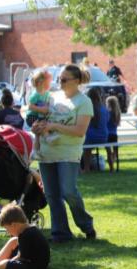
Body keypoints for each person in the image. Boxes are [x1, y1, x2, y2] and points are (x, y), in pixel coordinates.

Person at [31, 64, 96, 243]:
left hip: (68, 152)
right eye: (59, 78)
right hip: (46, 151)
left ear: (76, 81)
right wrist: (38, 127)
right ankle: (60, 234)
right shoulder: (53, 97)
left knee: (68, 191)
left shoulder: (84, 101)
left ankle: (86, 224)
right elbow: (45, 119)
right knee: (51, 194)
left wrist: (54, 126)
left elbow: (79, 131)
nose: (60, 82)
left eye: (64, 79)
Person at [82, 89, 109, 173]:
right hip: (104, 137)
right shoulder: (104, 109)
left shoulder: (88, 109)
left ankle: (86, 168)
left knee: (86, 148)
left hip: (91, 137)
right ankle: (111, 167)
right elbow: (107, 121)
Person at [105, 96, 121, 172]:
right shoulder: (117, 113)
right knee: (115, 151)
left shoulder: (107, 113)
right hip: (114, 135)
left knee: (108, 151)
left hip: (107, 134)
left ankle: (111, 167)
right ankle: (114, 160)